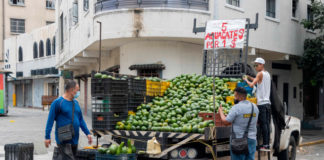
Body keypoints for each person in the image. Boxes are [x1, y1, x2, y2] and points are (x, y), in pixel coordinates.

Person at [45, 80, 92, 159]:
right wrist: (47, 137)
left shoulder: (76, 103)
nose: (78, 92)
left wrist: (87, 133)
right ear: (71, 90)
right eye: (77, 90)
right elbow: (50, 120)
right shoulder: (58, 103)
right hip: (64, 140)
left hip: (75, 140)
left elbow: (80, 120)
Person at [219, 87, 259, 160]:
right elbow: (255, 121)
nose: (234, 98)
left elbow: (226, 122)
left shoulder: (236, 108)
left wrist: (220, 112)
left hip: (239, 141)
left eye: (235, 96)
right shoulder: (255, 107)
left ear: (238, 96)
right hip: (252, 140)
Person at [243, 57, 271, 151]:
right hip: (267, 103)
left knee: (263, 124)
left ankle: (265, 145)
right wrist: (250, 77)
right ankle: (267, 144)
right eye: (254, 65)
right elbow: (257, 80)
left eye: (256, 65)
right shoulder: (267, 74)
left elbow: (252, 84)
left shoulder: (260, 73)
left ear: (261, 65)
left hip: (261, 103)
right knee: (266, 124)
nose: (255, 67)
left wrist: (246, 80)